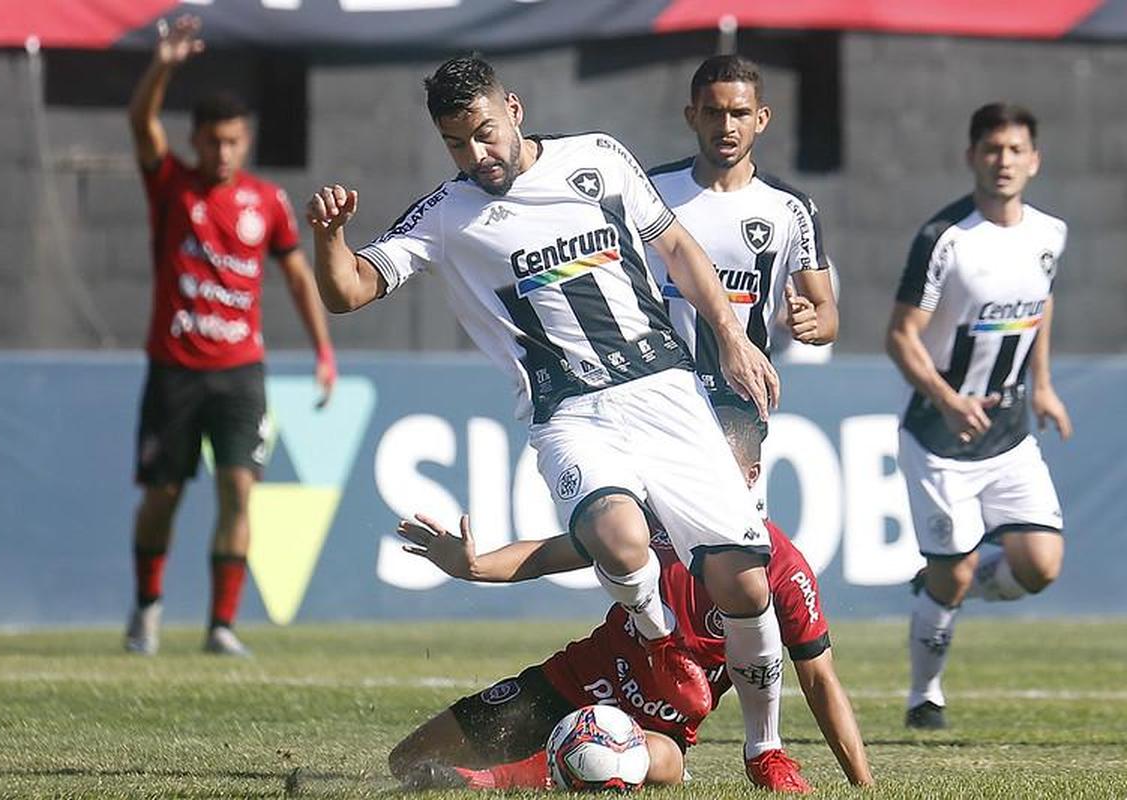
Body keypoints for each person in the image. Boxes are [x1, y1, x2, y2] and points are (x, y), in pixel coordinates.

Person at [308, 55, 792, 783]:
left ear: (515, 110)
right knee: (618, 540)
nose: (476, 155)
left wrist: (728, 338)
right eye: (456, 144)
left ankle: (765, 750)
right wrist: (328, 239)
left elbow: (677, 250)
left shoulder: (595, 159)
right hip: (569, 410)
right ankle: (657, 639)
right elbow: (347, 291)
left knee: (744, 585)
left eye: (484, 133)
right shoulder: (446, 216)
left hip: (663, 390)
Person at [388, 401, 874, 792]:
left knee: (652, 761)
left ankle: (491, 781)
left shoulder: (782, 569)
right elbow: (543, 557)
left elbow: (820, 681)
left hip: (655, 729)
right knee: (408, 761)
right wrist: (474, 565)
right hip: (572, 683)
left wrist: (863, 785)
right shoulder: (650, 521)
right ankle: (533, 763)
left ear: (750, 477)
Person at [123, 15, 337, 657]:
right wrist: (162, 66)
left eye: (234, 142)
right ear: (197, 140)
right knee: (163, 494)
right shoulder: (171, 186)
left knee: (240, 489)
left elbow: (300, 280)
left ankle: (221, 625)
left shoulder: (267, 202)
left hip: (241, 371)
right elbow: (140, 124)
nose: (222, 153)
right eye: (213, 142)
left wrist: (325, 351)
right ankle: (148, 608)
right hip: (174, 369)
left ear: (245, 144)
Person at [886, 102, 1071, 729]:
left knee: (1041, 567)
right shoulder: (945, 240)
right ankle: (923, 696)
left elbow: (1039, 308)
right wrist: (947, 398)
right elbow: (901, 336)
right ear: (972, 157)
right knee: (952, 578)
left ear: (1034, 160)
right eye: (992, 149)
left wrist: (1042, 385)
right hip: (940, 437)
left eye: (1016, 150)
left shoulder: (1050, 234)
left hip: (1010, 435)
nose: (1004, 161)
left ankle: (959, 573)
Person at [647, 54, 837, 444]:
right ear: (691, 116)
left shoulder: (789, 208)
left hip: (740, 401)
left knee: (737, 507)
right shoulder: (650, 191)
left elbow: (827, 316)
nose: (727, 126)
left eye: (740, 113)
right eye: (714, 113)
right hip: (657, 395)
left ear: (762, 118)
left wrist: (811, 325)